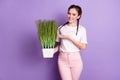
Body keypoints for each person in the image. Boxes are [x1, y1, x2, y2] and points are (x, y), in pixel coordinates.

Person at [54, 4, 87, 80]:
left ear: (78, 16)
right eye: (69, 13)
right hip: (62, 60)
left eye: (74, 14)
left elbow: (83, 46)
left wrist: (69, 37)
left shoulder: (82, 29)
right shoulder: (61, 28)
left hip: (76, 60)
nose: (70, 16)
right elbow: (60, 46)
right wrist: (50, 51)